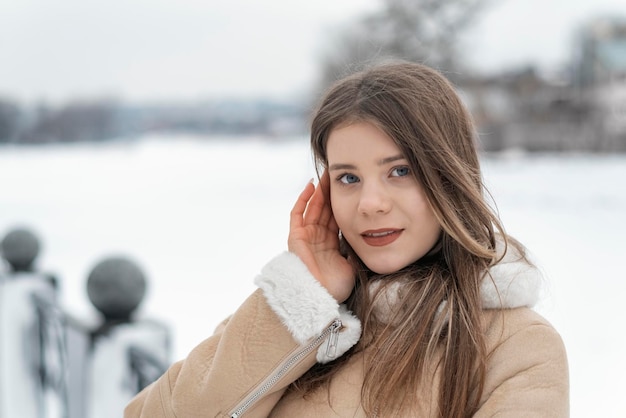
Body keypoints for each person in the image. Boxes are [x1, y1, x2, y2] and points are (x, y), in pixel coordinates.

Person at [125, 61, 569, 417]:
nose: (370, 203)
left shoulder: (515, 346)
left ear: (451, 176)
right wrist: (305, 295)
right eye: (349, 178)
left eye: (400, 171)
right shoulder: (307, 316)